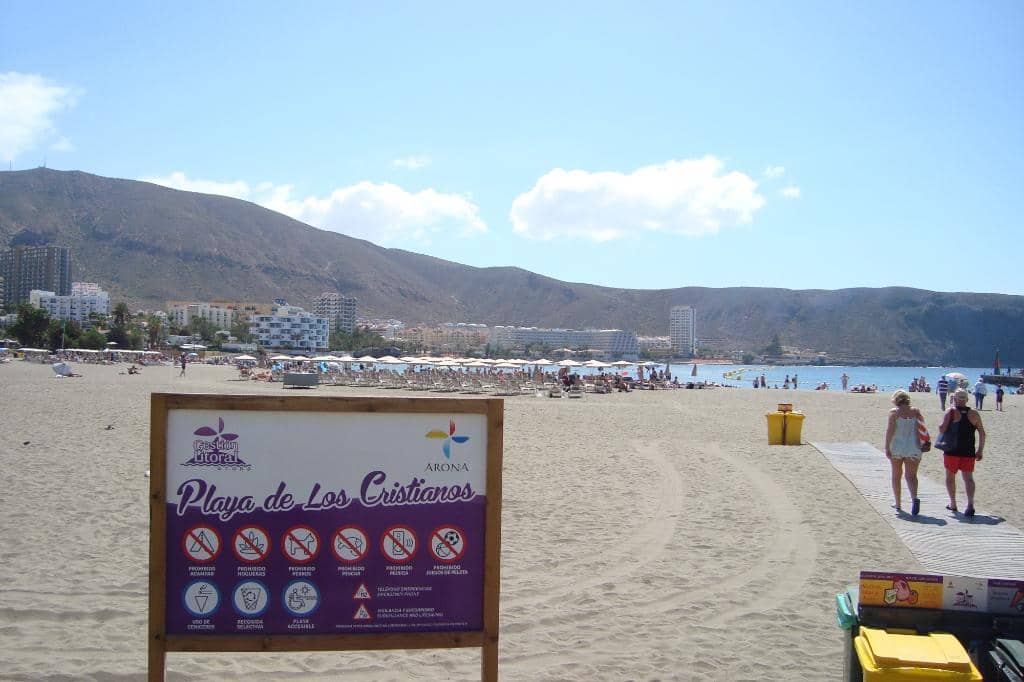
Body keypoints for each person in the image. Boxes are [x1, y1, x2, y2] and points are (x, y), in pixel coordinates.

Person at [938, 388, 986, 516]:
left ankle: (953, 503)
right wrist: (980, 449)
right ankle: (970, 504)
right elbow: (982, 432)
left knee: (950, 478)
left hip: (952, 450)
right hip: (968, 450)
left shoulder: (951, 411)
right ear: (967, 399)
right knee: (968, 479)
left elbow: (942, 429)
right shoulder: (974, 413)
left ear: (954, 398)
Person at [884, 390, 926, 516]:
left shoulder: (894, 413)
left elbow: (890, 431)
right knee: (911, 476)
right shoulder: (916, 412)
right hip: (913, 447)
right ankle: (914, 498)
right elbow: (922, 428)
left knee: (896, 476)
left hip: (897, 447)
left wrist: (887, 447)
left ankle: (898, 503)